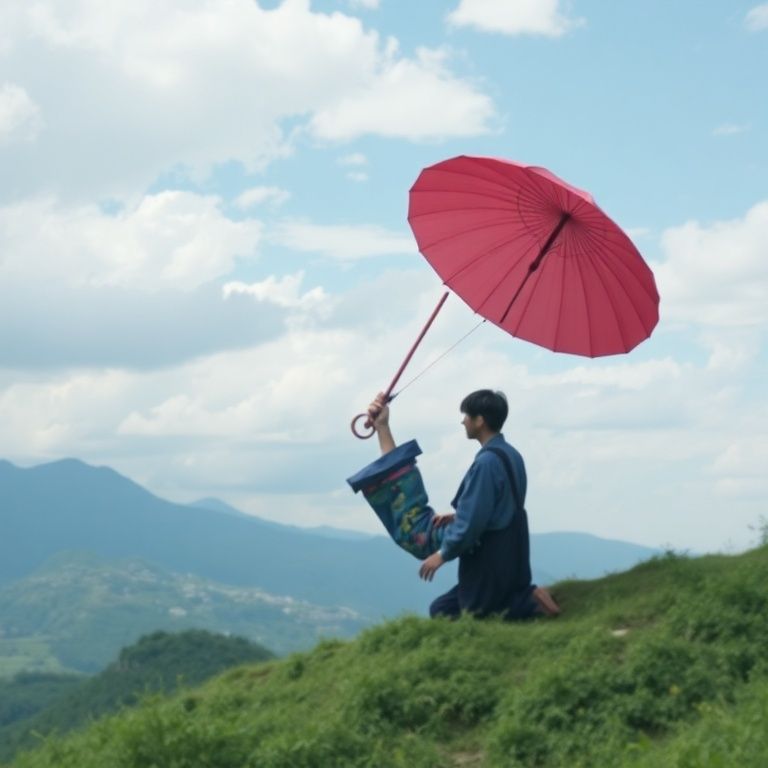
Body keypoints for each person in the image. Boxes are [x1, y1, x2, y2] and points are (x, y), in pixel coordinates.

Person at [346, 389, 560, 620]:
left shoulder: (487, 463)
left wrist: (442, 554)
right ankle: (527, 598)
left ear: (480, 421)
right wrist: (459, 515)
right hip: (510, 549)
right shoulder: (510, 454)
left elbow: (473, 522)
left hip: (489, 552)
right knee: (444, 609)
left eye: (466, 416)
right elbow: (497, 506)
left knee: (477, 613)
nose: (463, 421)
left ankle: (530, 602)